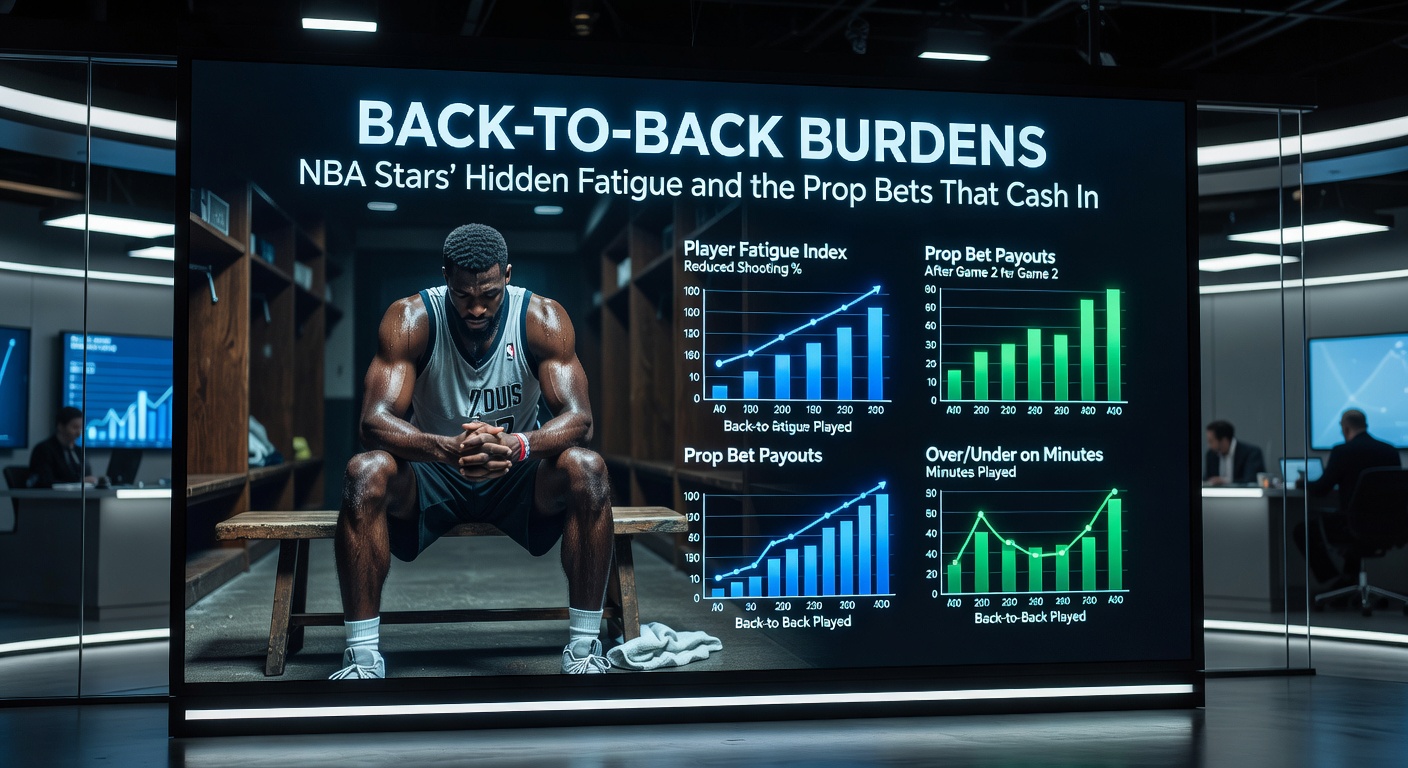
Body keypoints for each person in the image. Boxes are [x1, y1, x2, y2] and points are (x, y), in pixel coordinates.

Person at [331, 223, 614, 679]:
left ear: (507, 275)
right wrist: (445, 448)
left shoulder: (542, 318)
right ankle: (362, 660)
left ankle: (583, 650)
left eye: (490, 294)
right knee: (364, 472)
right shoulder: (410, 319)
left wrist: (518, 445)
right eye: (463, 295)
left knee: (588, 467)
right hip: (433, 471)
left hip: (515, 471)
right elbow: (372, 422)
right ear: (446, 277)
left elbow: (580, 419)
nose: (477, 307)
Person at [1294, 408, 1402, 586]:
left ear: (1345, 428)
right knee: (1354, 527)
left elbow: (1321, 489)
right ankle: (1348, 581)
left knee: (1302, 530)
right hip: (1388, 525)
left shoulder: (1342, 451)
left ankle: (1334, 580)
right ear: (1365, 425)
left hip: (1353, 525)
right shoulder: (1390, 451)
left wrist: (1302, 483)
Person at [28, 406, 97, 488]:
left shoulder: (79, 452)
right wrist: (78, 481)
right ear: (60, 426)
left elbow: (86, 476)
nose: (79, 433)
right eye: (75, 427)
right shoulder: (43, 450)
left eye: (81, 428)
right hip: (52, 495)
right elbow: (45, 481)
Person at [1203, 420, 1266, 486]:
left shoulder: (1251, 453)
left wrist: (1226, 481)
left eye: (1211, 441)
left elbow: (1251, 480)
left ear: (1224, 441)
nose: (1209, 446)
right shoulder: (1211, 454)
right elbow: (1207, 479)